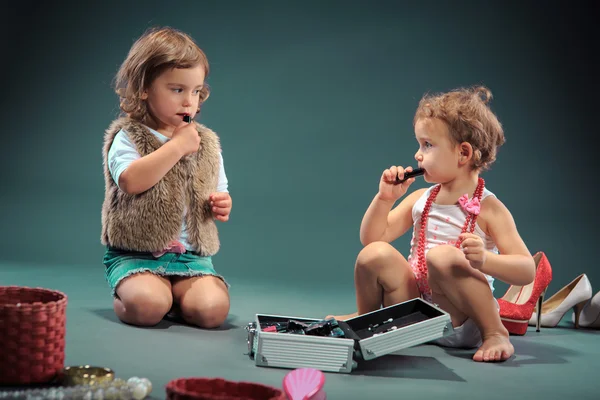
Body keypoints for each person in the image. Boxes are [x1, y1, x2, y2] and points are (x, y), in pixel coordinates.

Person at [329, 86, 535, 362]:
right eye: (418, 144)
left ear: (463, 154)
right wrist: (383, 199)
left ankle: (495, 332)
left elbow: (526, 270)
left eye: (427, 145)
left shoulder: (489, 208)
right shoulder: (421, 198)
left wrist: (485, 260)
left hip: (460, 320)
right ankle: (367, 317)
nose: (417, 154)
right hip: (414, 315)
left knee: (442, 257)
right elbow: (372, 238)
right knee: (373, 254)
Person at [100, 27, 231, 329]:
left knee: (211, 312)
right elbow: (131, 181)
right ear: (144, 89)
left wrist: (221, 204)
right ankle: (136, 294)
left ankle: (179, 296)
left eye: (196, 91)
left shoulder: (206, 141)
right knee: (146, 307)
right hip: (136, 254)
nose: (189, 102)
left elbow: (218, 189)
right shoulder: (129, 136)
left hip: (190, 258)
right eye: (177, 90)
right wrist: (176, 146)